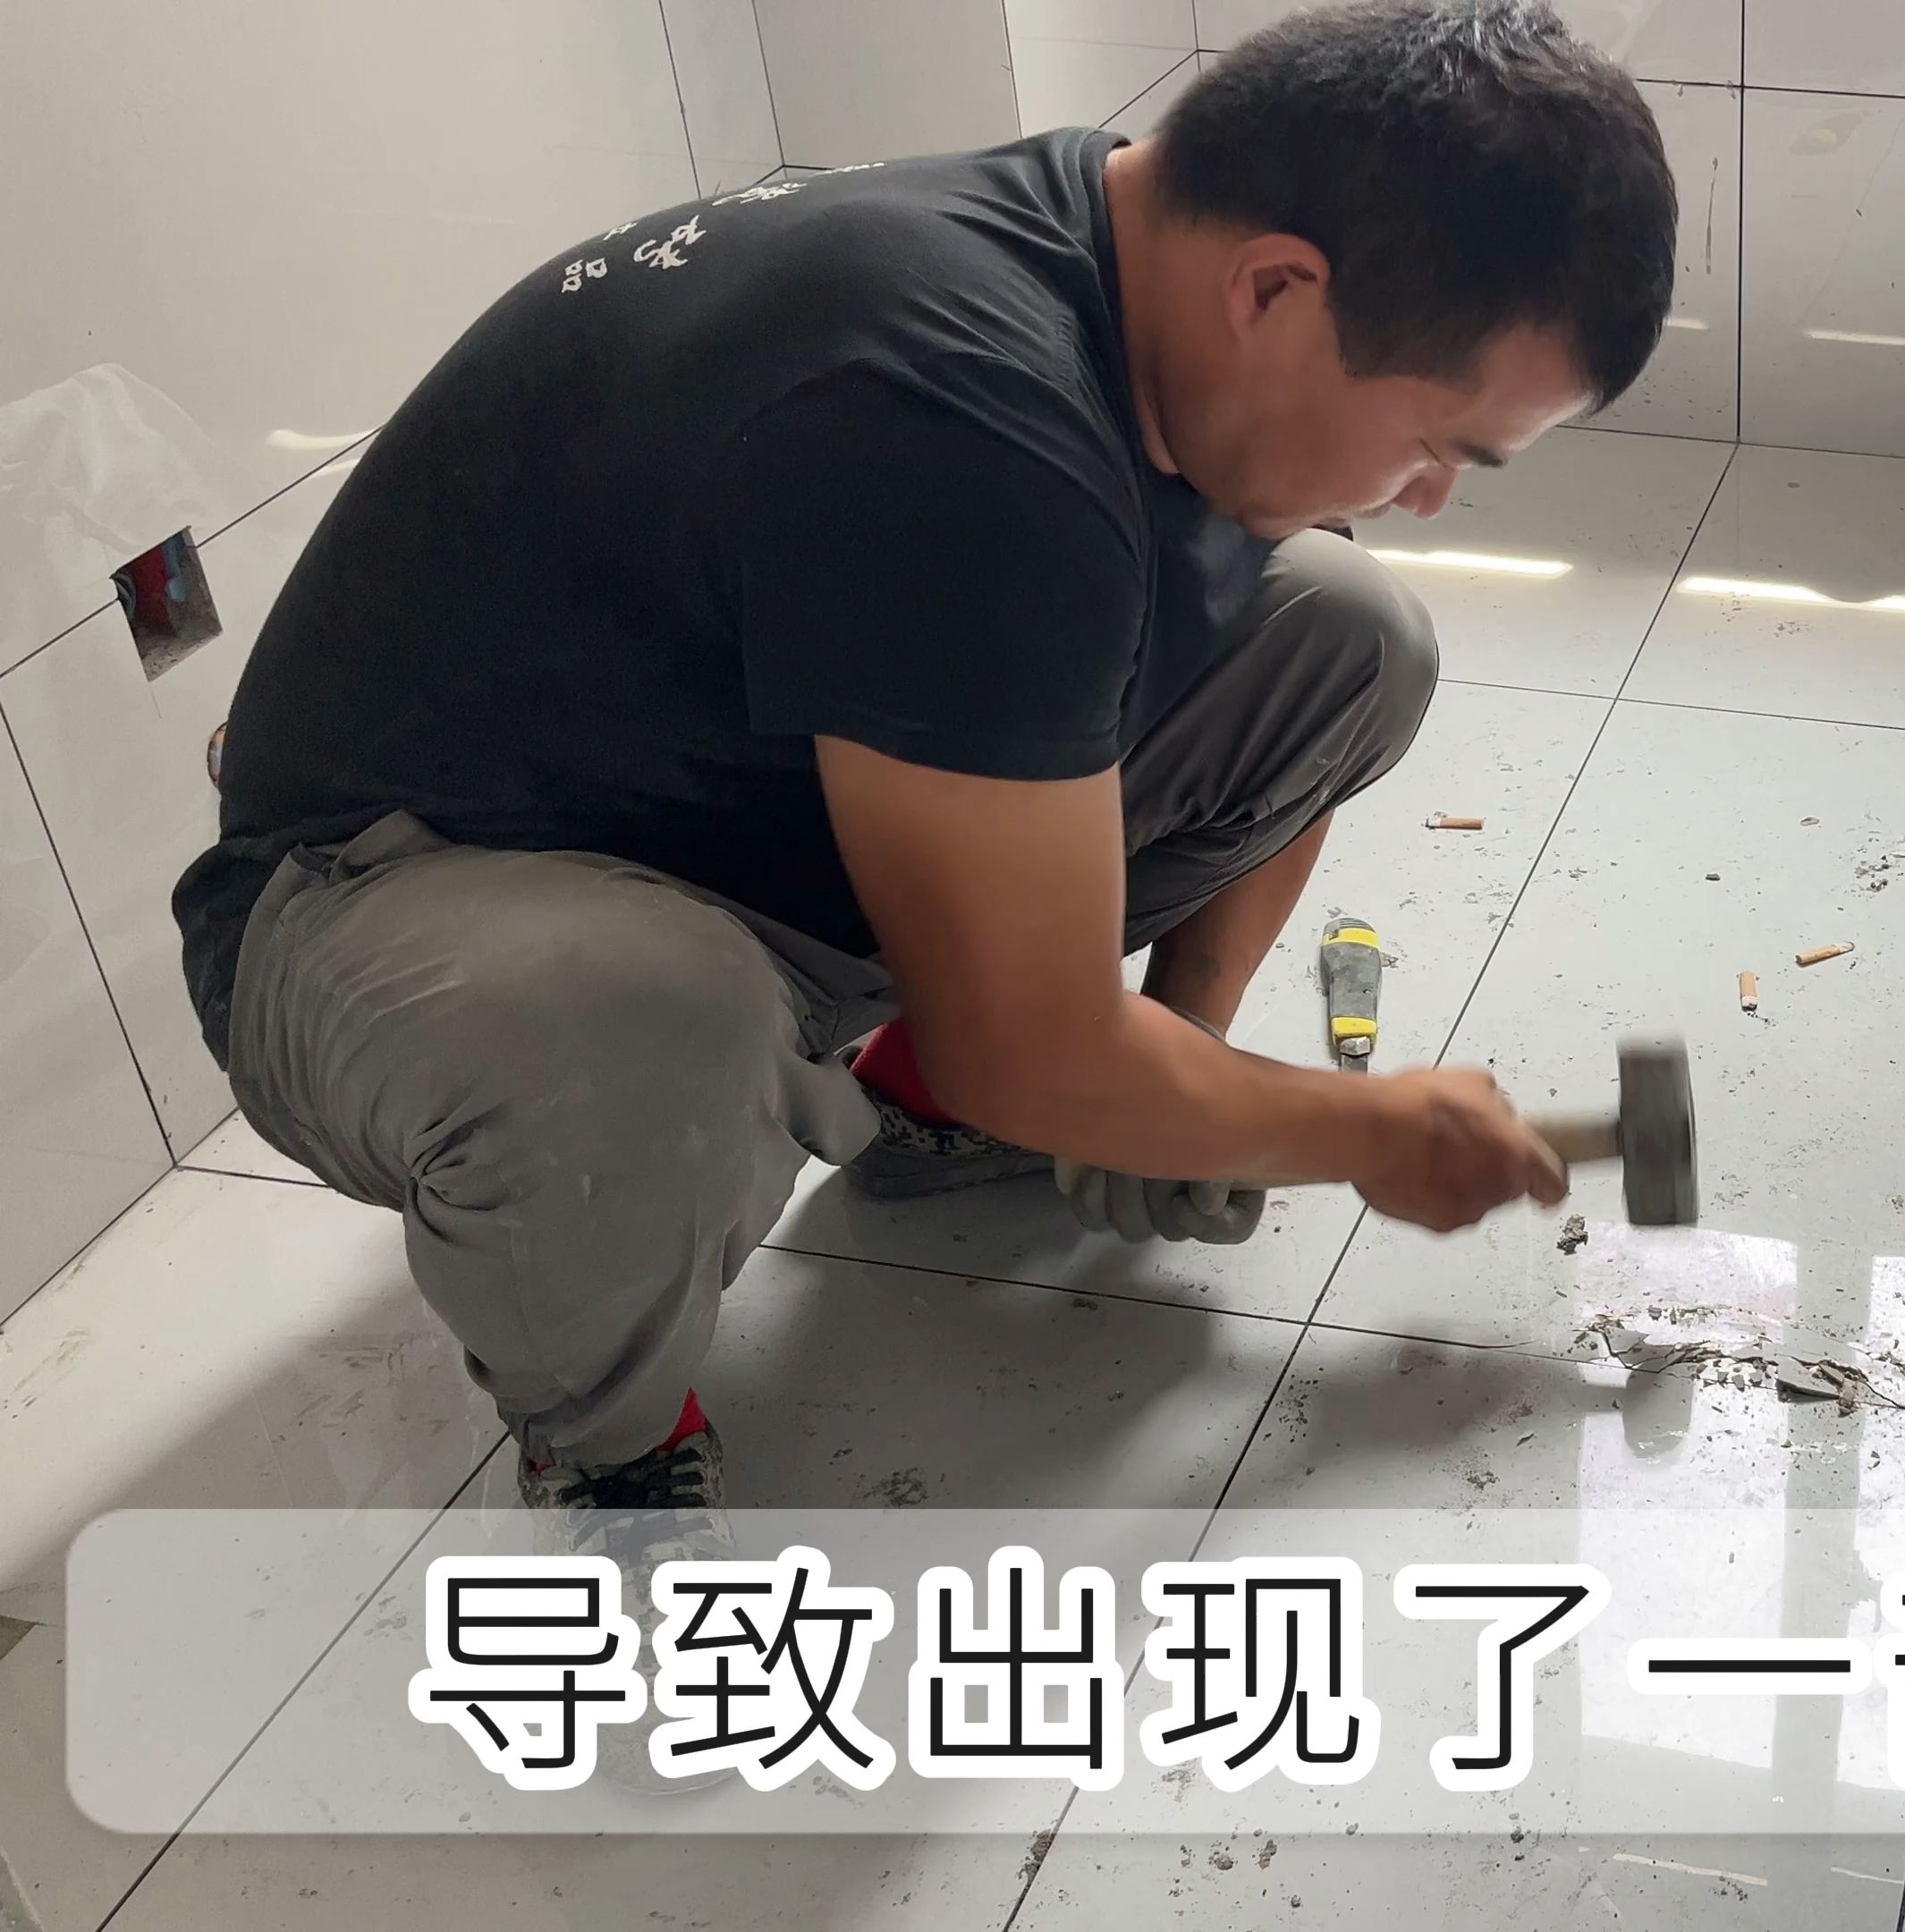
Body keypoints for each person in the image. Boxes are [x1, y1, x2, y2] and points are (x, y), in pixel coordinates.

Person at [172, 0, 1676, 1574]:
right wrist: (1355, 1127)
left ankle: (926, 1099)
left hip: (746, 811)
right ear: (1278, 290)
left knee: (1348, 639)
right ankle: (608, 1441)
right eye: (1441, 444)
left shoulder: (1140, 265)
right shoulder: (956, 410)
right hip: (385, 901)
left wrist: (1179, 1075)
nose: (1428, 497)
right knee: (652, 1029)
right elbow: (1034, 1040)